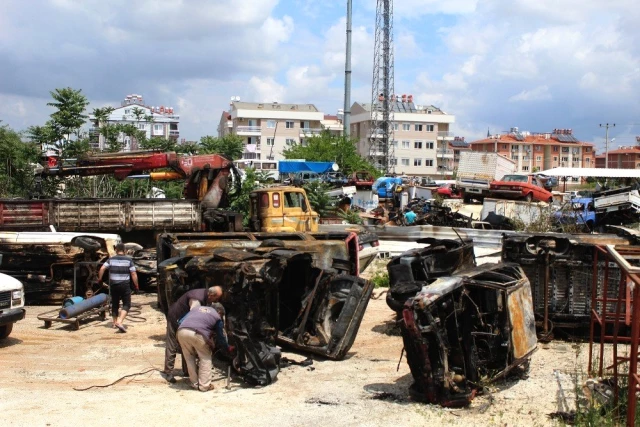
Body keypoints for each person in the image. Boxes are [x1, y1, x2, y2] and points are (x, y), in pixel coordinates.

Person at [162, 286, 223, 383]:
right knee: (172, 345)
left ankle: (187, 371)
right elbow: (194, 314)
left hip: (185, 321)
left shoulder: (205, 296)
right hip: (175, 317)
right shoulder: (196, 300)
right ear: (211, 295)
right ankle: (168, 372)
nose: (217, 301)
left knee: (186, 346)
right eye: (216, 298)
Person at [177, 302, 233, 392]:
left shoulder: (196, 309)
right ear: (219, 311)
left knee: (189, 358)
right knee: (205, 357)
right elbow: (220, 336)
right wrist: (227, 347)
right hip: (197, 333)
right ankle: (204, 386)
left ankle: (194, 383)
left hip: (182, 331)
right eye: (221, 314)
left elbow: (180, 320)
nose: (221, 316)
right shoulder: (216, 316)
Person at [97, 242, 138, 333]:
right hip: (124, 285)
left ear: (116, 250)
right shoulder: (129, 260)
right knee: (127, 304)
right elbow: (133, 273)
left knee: (115, 304)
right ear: (125, 251)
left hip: (113, 285)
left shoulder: (110, 260)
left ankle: (114, 322)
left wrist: (100, 279)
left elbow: (102, 269)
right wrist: (136, 285)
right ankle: (119, 321)